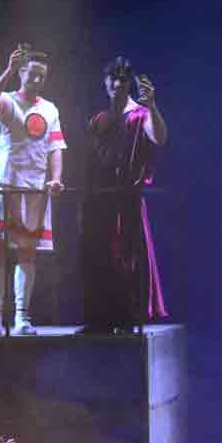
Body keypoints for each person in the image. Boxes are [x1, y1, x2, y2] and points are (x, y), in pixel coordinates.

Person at [0, 44, 65, 337]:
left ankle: (22, 318)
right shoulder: (6, 99)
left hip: (34, 186)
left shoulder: (50, 109)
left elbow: (55, 147)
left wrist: (56, 178)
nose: (37, 80)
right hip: (4, 181)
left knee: (27, 249)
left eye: (42, 76)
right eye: (33, 74)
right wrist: (8, 69)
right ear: (22, 73)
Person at [79, 56, 167, 333]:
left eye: (123, 79)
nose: (117, 84)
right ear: (105, 82)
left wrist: (152, 105)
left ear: (129, 83)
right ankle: (101, 319)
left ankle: (129, 318)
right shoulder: (99, 119)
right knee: (99, 257)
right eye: (113, 78)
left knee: (128, 256)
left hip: (126, 198)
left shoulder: (140, 114)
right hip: (99, 199)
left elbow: (159, 137)